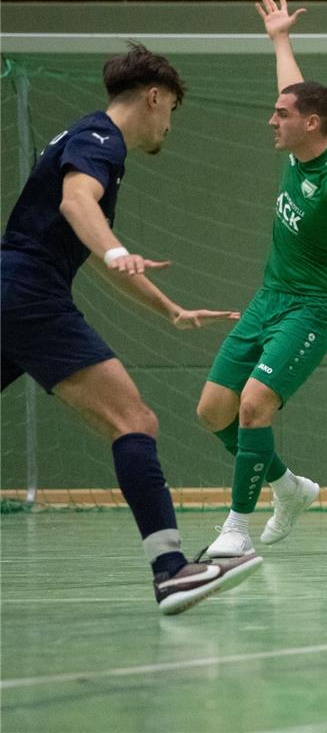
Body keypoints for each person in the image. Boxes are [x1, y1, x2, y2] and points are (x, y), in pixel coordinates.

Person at [0, 43, 260, 614]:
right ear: (155, 97)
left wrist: (169, 309)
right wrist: (118, 248)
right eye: (171, 110)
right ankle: (171, 569)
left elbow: (95, 250)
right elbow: (76, 206)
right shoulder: (102, 141)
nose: (168, 123)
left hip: (12, 292)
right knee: (134, 420)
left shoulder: (82, 137)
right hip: (30, 296)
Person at [195, 0, 327, 558]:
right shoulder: (299, 152)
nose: (272, 119)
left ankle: (236, 530)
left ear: (310, 124)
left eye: (281, 115)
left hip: (315, 307)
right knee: (212, 412)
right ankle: (288, 487)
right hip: (270, 296)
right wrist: (279, 39)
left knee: (253, 406)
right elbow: (297, 88)